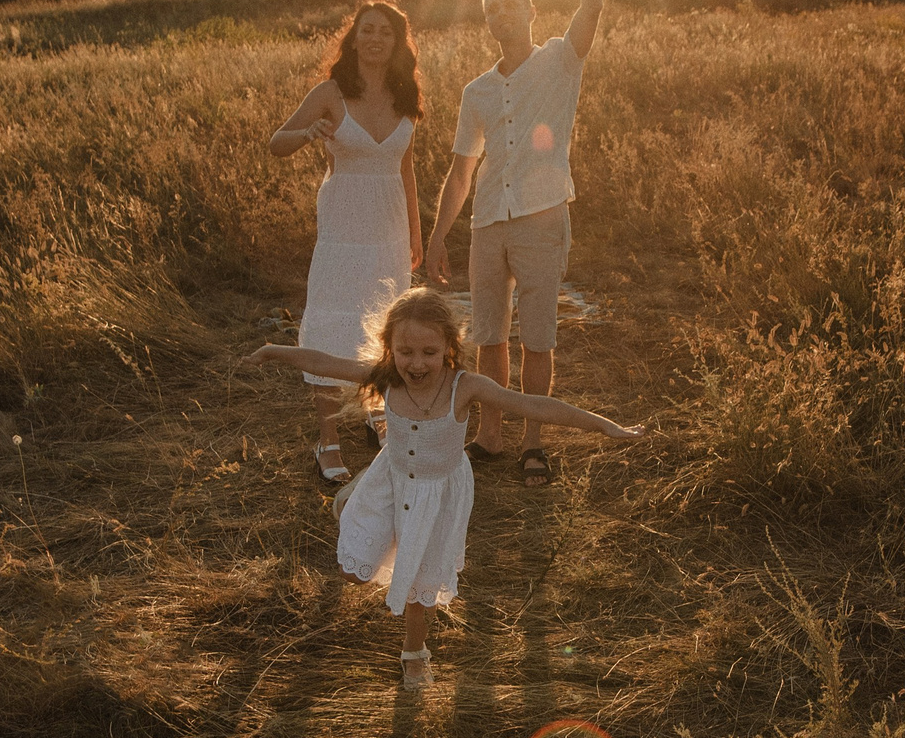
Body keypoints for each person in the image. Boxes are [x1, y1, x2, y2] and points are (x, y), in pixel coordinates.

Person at [251, 287, 642, 688]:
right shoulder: (386, 378)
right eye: (405, 352)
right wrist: (275, 351)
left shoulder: (465, 387)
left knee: (419, 584)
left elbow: (533, 404)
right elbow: (325, 363)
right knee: (352, 574)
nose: (417, 363)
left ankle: (414, 653)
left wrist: (602, 425)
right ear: (389, 348)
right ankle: (357, 496)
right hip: (391, 482)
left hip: (437, 497)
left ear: (449, 347)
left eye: (429, 352)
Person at [425, 0, 605, 488]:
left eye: (510, 4)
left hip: (541, 216)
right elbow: (461, 171)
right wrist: (437, 238)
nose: (501, 14)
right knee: (489, 337)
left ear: (530, 10)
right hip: (487, 224)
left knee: (538, 338)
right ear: (488, 22)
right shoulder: (476, 91)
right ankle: (490, 436)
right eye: (491, 9)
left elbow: (592, 4)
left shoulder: (559, 61)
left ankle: (533, 443)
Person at [268, 0, 425, 482]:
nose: (375, 39)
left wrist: (416, 232)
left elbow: (406, 169)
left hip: (389, 228)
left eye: (386, 32)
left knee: (382, 321)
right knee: (334, 321)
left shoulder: (405, 95)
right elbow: (277, 144)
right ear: (354, 38)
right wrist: (308, 132)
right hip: (343, 229)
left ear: (398, 43)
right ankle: (328, 438)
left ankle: (376, 410)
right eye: (367, 30)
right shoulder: (331, 93)